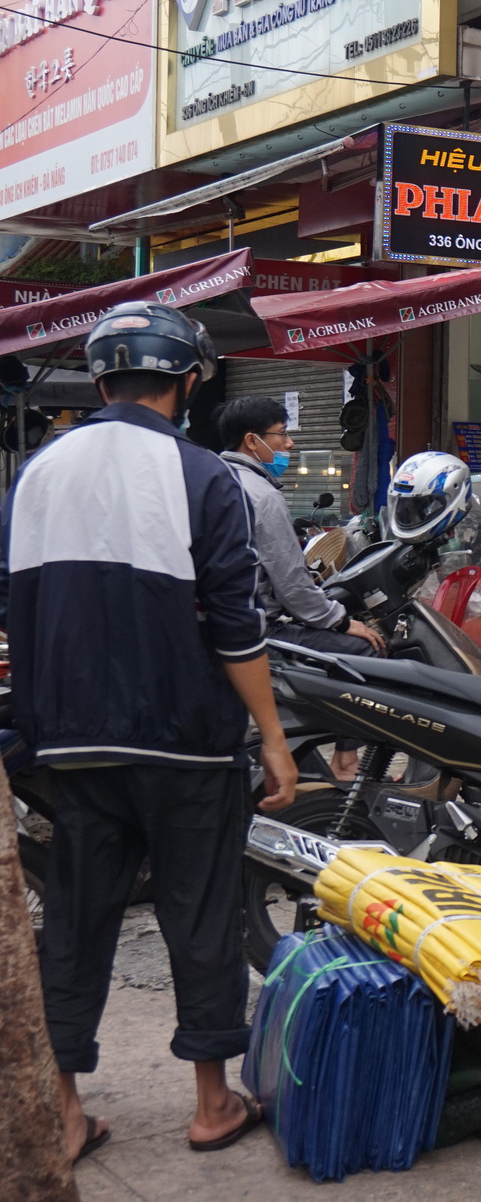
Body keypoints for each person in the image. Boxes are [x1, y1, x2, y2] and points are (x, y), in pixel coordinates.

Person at [0, 302, 298, 1162]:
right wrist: (273, 736)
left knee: (79, 914)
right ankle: (211, 1104)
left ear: (99, 380)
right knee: (198, 910)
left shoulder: (36, 473)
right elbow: (236, 626)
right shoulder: (202, 475)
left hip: (68, 743)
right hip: (186, 739)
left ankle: (63, 1112)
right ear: (190, 381)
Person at [216, 396, 384, 661]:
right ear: (251, 441)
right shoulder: (263, 495)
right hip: (257, 630)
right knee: (368, 649)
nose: (289, 444)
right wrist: (341, 621)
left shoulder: (212, 478)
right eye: (282, 434)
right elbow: (291, 582)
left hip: (216, 622)